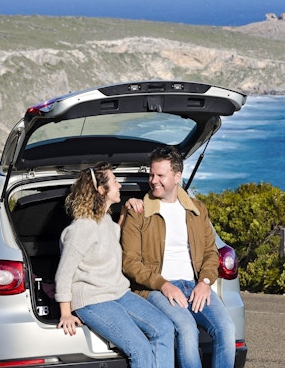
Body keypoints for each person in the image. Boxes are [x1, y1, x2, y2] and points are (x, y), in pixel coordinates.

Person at [121, 146, 236, 368]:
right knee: (186, 329)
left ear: (177, 177)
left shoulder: (197, 210)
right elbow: (130, 263)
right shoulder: (139, 212)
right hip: (155, 289)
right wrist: (163, 285)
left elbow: (211, 253)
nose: (153, 180)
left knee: (226, 328)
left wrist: (205, 282)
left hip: (194, 286)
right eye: (152, 174)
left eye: (160, 175)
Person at [54, 162, 174, 368]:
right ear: (102, 190)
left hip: (118, 293)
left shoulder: (105, 221)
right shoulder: (81, 228)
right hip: (93, 300)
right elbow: (63, 274)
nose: (120, 186)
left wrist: (125, 214)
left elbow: (112, 237)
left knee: (164, 328)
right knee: (140, 349)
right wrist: (66, 313)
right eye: (115, 182)